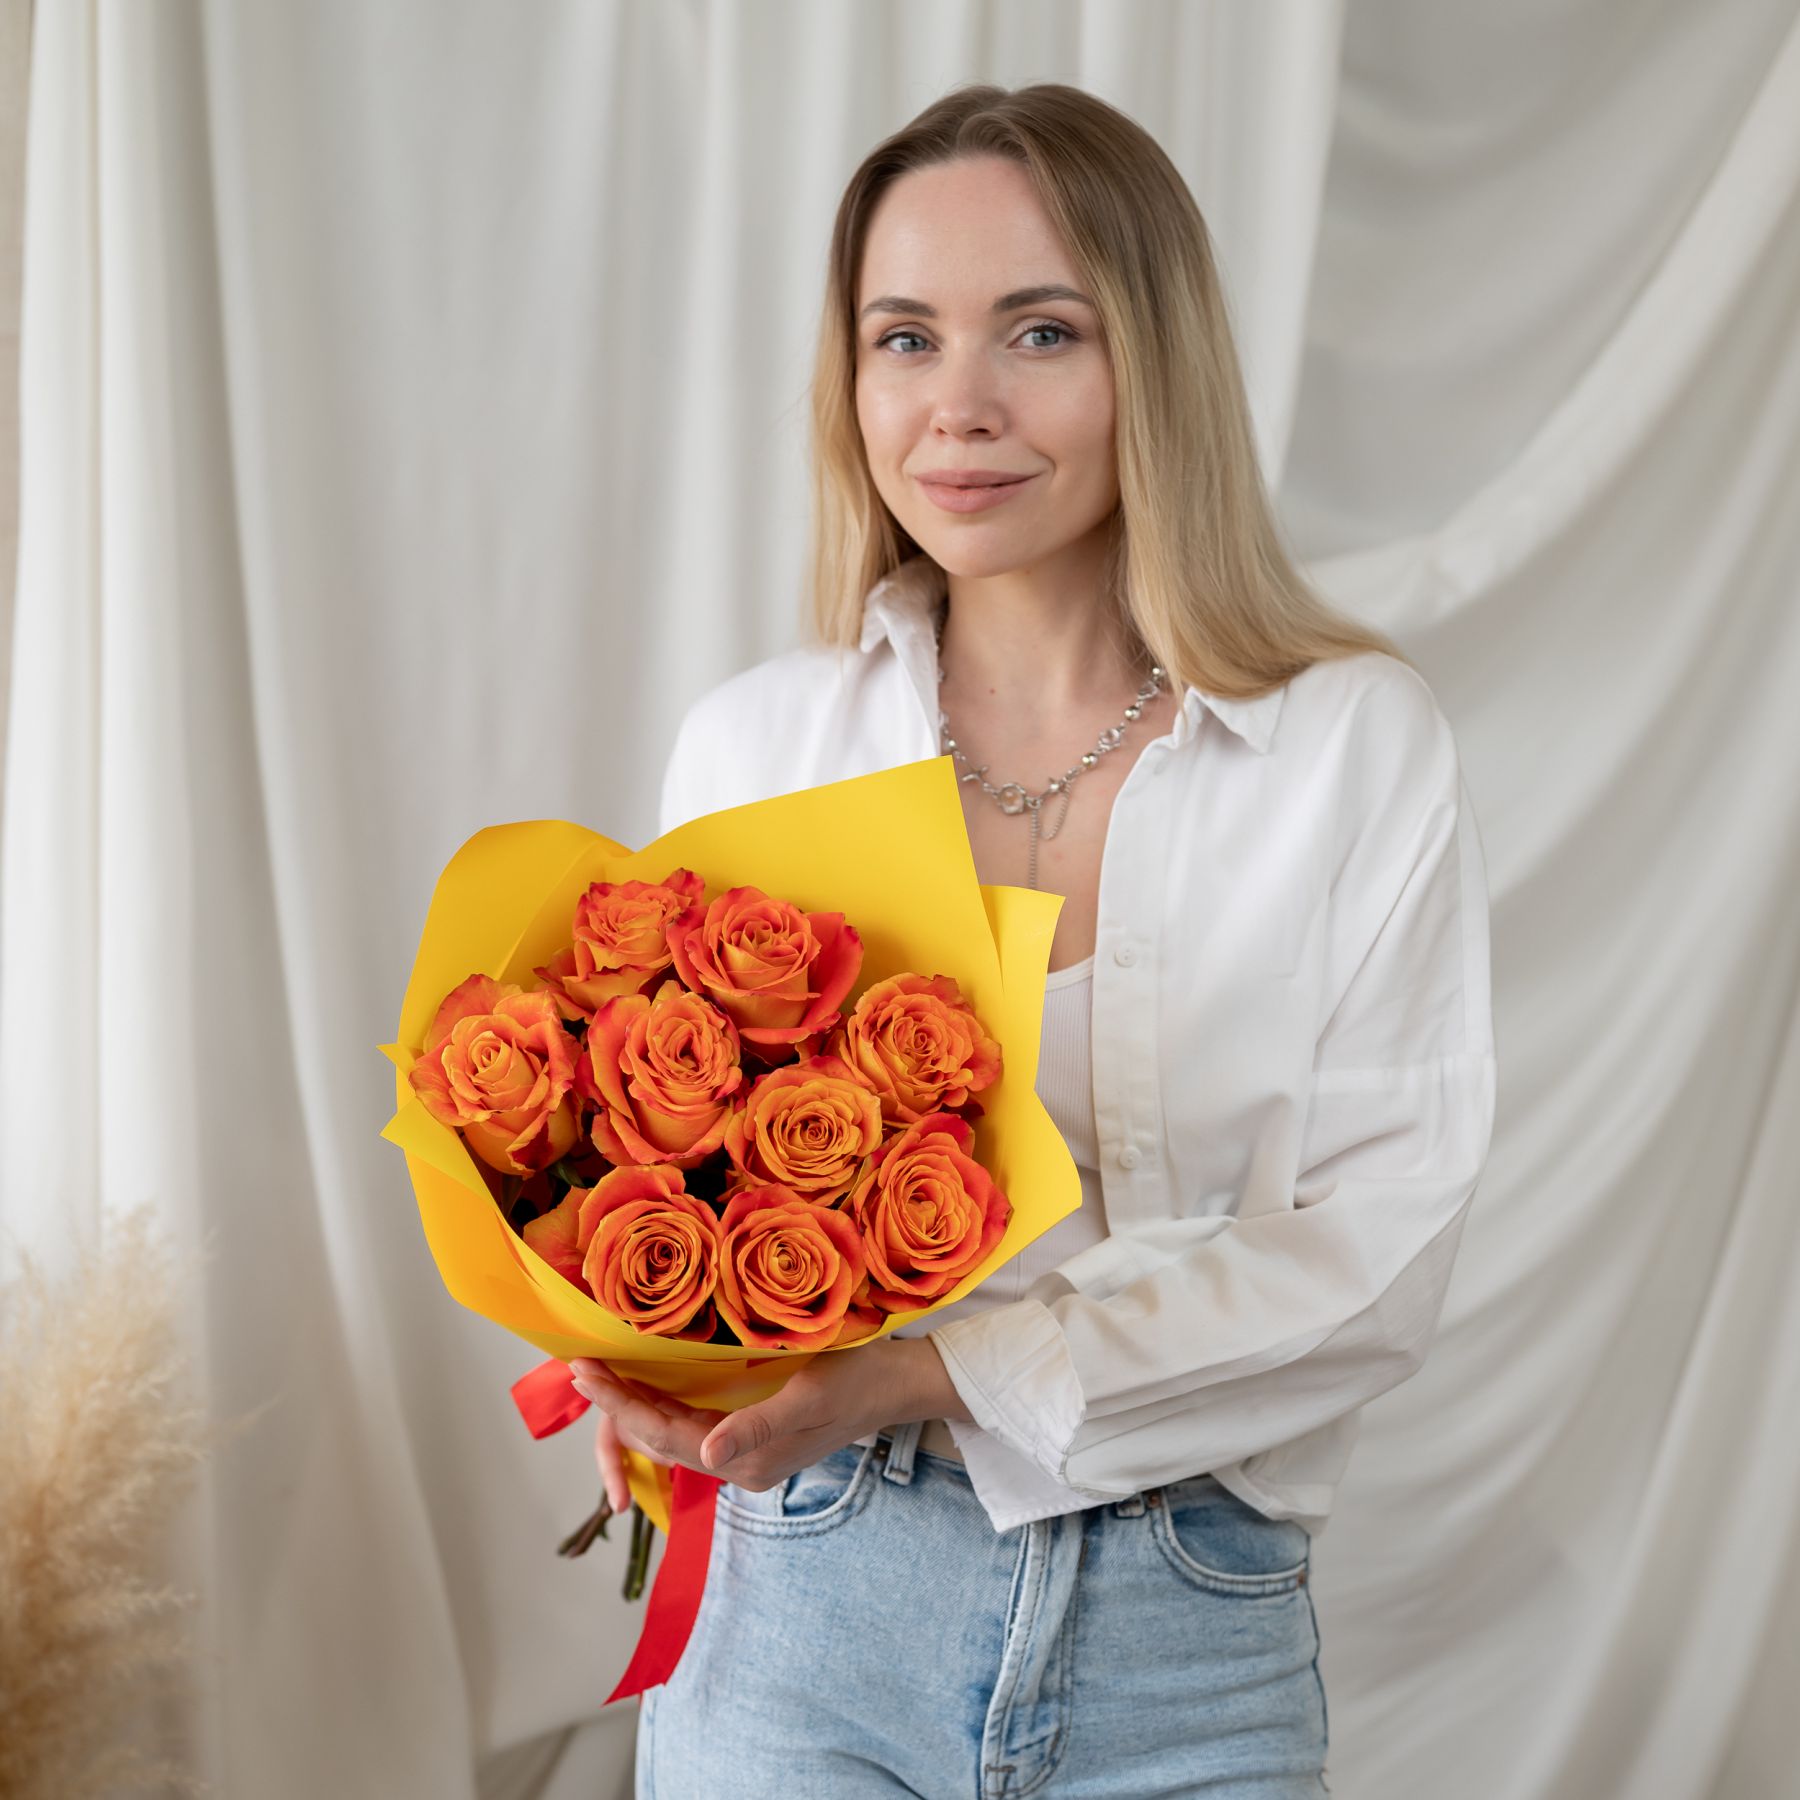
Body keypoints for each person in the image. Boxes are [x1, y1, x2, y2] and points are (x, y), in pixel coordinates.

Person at [569, 79, 1496, 1799]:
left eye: (1041, 332)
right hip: (804, 1611)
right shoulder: (759, 746)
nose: (961, 405)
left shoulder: (1353, 746)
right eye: (904, 338)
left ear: (1157, 360)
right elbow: (664, 1175)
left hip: (1189, 1638)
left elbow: (1380, 1251)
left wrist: (931, 1372)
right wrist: (640, 1336)